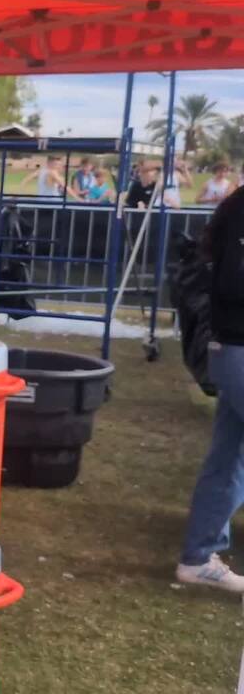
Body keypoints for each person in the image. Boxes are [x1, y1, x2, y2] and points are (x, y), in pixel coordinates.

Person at [176, 186, 244, 592]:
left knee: (229, 459)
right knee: (228, 460)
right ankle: (199, 555)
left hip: (234, 348)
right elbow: (234, 282)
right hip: (237, 348)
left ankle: (199, 558)